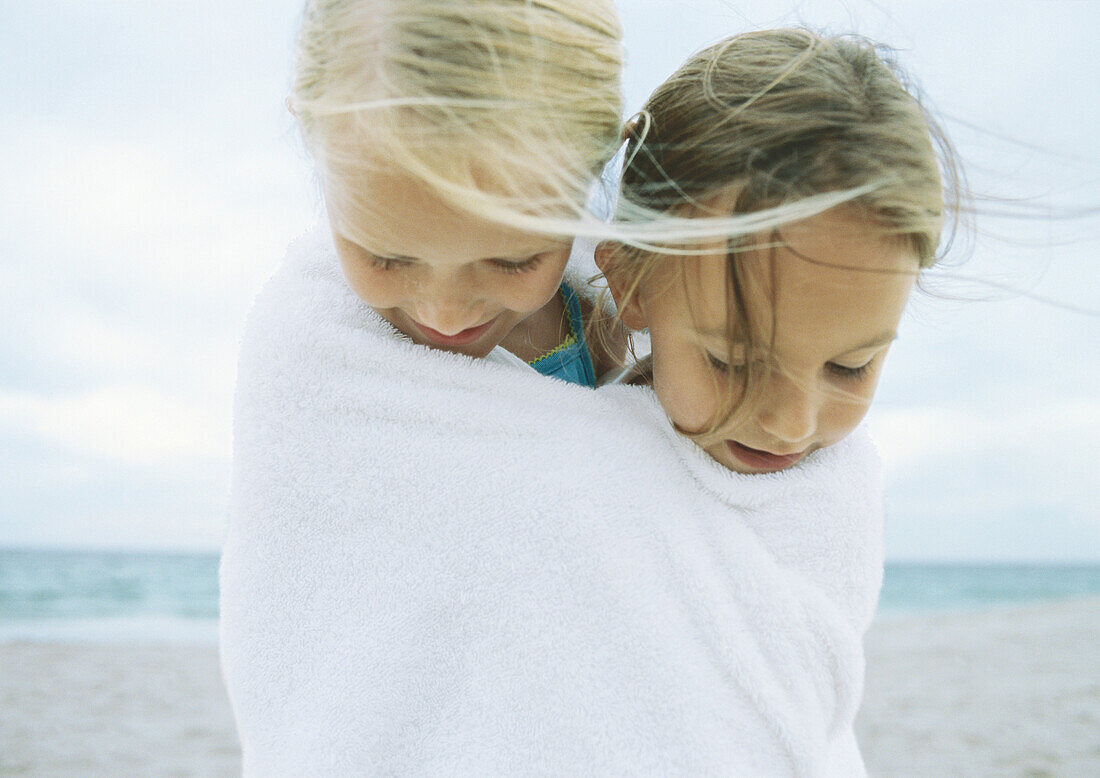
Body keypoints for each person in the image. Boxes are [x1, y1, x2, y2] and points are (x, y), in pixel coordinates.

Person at [597, 27, 957, 475]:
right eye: (734, 363)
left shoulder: (840, 496)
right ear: (630, 285)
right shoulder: (564, 456)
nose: (792, 426)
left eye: (850, 367)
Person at [288, 0, 626, 386]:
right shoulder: (312, 371)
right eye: (388, 258)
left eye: (511, 262)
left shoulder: (608, 325)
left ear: (597, 162)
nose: (446, 316)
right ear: (312, 141)